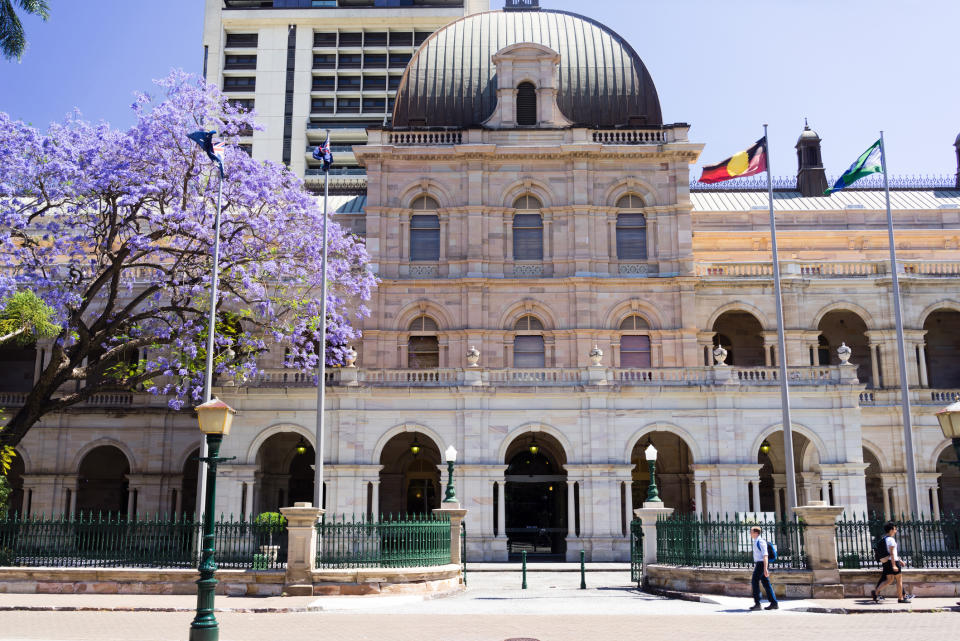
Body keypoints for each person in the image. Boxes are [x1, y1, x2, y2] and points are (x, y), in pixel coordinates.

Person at [872, 522, 911, 603]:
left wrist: (900, 560)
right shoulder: (891, 540)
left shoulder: (885, 539)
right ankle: (901, 598)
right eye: (895, 529)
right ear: (891, 530)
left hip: (887, 562)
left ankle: (876, 592)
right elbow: (892, 553)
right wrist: (894, 565)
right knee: (899, 580)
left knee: (889, 580)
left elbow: (890, 553)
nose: (896, 531)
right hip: (893, 562)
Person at [749, 526, 778, 611]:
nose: (750, 533)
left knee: (754, 581)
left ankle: (757, 603)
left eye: (751, 532)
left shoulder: (761, 542)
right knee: (766, 583)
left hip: (761, 564)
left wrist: (765, 568)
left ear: (756, 532)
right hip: (760, 564)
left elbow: (765, 556)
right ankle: (774, 603)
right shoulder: (756, 541)